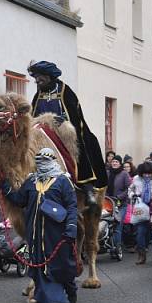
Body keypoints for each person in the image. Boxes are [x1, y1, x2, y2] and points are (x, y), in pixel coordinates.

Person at [0, 148, 78, 303]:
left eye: (45, 161)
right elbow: (20, 200)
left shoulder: (63, 181)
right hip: (35, 234)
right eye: (39, 162)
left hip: (57, 235)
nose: (41, 165)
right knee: (38, 267)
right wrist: (6, 188)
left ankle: (71, 290)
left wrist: (71, 227)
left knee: (60, 266)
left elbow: (71, 206)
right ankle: (42, 302)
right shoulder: (31, 181)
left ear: (53, 162)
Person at [28, 60, 108, 207]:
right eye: (36, 79)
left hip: (64, 133)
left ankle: (87, 186)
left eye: (40, 78)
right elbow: (32, 116)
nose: (37, 81)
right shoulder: (38, 95)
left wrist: (64, 120)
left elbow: (75, 115)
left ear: (50, 77)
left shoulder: (65, 91)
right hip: (42, 134)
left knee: (82, 143)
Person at [128, 162, 152, 264]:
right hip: (141, 208)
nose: (147, 175)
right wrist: (133, 195)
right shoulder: (136, 179)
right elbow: (130, 189)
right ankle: (142, 255)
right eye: (144, 173)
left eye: (149, 173)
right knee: (140, 233)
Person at [106, 156, 131, 258]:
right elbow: (104, 186)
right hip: (108, 202)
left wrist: (118, 197)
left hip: (121, 203)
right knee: (107, 225)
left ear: (120, 163)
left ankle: (117, 247)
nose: (114, 163)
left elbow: (128, 188)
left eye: (116, 161)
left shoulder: (124, 174)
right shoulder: (108, 173)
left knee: (117, 225)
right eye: (113, 161)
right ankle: (110, 246)